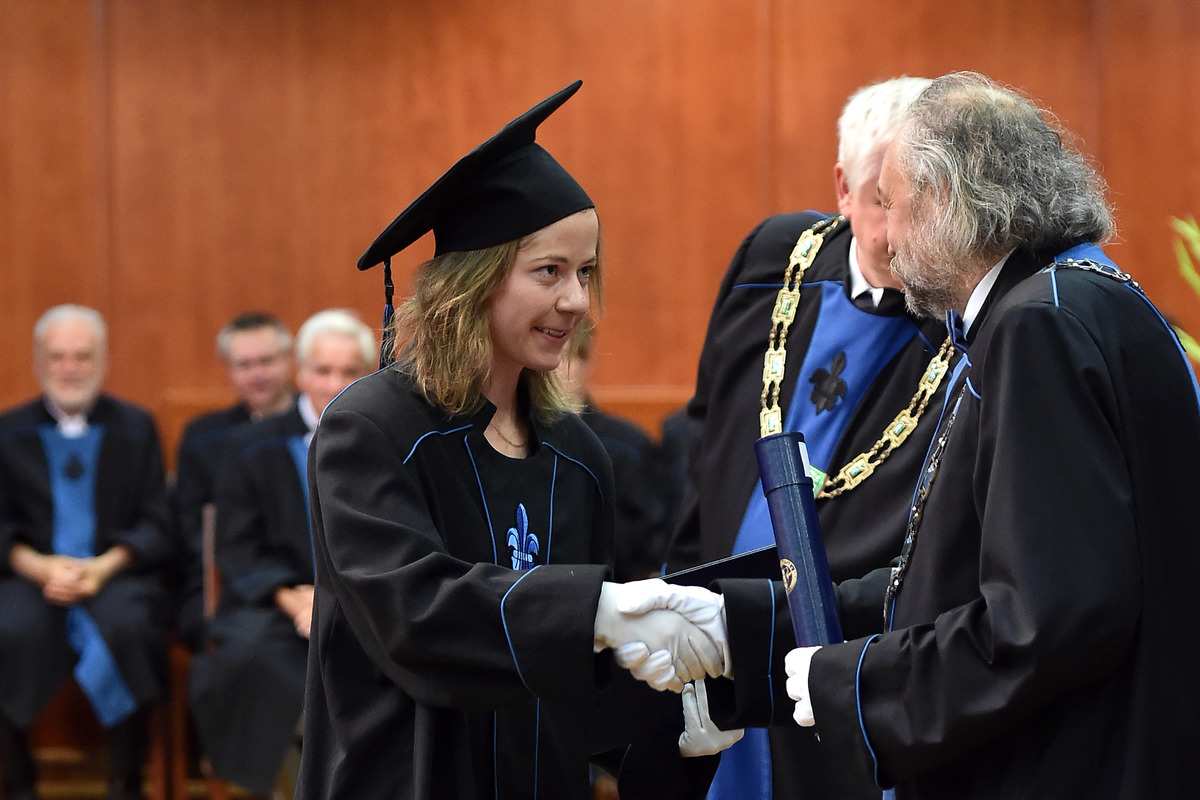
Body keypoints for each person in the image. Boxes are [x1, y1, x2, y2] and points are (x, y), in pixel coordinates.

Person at [714, 71, 1200, 798]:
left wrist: (856, 686)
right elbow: (966, 571)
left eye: (891, 203)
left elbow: (1047, 621)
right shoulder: (1081, 296)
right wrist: (745, 619)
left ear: (944, 201)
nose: (886, 237)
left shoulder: (1038, 327)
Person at [295, 80, 738, 800]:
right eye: (549, 271)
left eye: (585, 273)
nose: (577, 301)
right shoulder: (370, 429)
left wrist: (684, 705)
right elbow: (412, 614)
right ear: (471, 284)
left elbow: (579, 681)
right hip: (402, 778)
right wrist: (593, 610)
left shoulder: (578, 456)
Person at [663, 76, 947, 800]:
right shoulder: (772, 261)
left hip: (851, 663)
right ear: (843, 189)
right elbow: (710, 434)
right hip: (723, 633)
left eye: (920, 202)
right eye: (880, 200)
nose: (899, 232)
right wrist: (684, 585)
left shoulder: (964, 325)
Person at [187, 308, 376, 797]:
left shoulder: (388, 440)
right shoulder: (251, 444)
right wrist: (294, 600)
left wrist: (340, 599)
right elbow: (236, 544)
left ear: (369, 373)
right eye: (322, 370)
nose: (334, 383)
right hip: (275, 603)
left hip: (366, 599)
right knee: (254, 662)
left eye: (349, 371)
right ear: (301, 372)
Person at [0, 304, 172, 800]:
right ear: (39, 362)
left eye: (82, 356)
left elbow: (158, 522)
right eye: (57, 357)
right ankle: (18, 782)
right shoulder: (8, 431)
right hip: (31, 575)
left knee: (130, 627)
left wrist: (101, 568)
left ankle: (127, 780)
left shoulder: (136, 427)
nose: (69, 368)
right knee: (9, 628)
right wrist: (38, 567)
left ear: (103, 360)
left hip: (114, 573)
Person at [172, 311, 295, 651]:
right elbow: (193, 528)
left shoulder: (323, 425)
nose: (257, 374)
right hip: (230, 579)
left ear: (288, 359)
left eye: (266, 361)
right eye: (244, 365)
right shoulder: (203, 437)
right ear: (228, 369)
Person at [558, 325, 667, 581]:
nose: (551, 369)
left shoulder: (628, 446)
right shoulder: (513, 442)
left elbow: (650, 542)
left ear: (586, 363)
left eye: (564, 357)